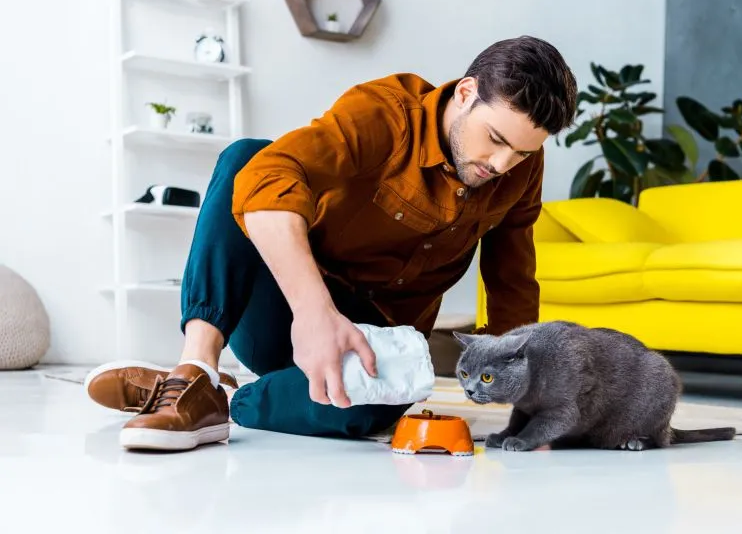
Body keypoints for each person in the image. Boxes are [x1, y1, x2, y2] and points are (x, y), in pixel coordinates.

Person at [84, 35, 578, 451]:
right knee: (248, 158)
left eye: (522, 151)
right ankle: (196, 366)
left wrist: (532, 395)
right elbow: (268, 176)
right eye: (495, 139)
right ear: (467, 93)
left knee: (365, 411)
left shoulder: (519, 167)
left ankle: (212, 399)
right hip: (289, 313)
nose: (502, 163)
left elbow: (512, 278)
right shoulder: (385, 113)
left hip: (380, 336)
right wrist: (314, 311)